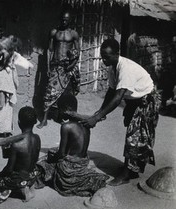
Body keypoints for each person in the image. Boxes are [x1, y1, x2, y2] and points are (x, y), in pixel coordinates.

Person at [80, 39, 160, 186]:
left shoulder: (126, 69)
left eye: (107, 56)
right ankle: (131, 169)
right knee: (134, 135)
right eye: (102, 56)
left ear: (117, 54)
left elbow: (118, 98)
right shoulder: (112, 67)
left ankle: (125, 175)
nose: (104, 59)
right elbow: (111, 91)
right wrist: (100, 112)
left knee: (134, 136)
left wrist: (97, 117)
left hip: (146, 101)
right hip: (135, 101)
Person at [36, 94, 109, 196]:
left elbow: (61, 154)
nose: (58, 113)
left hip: (69, 168)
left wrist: (51, 158)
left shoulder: (66, 127)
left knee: (42, 164)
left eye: (59, 109)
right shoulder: (86, 124)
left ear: (65, 110)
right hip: (82, 164)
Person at [0, 106, 41, 206]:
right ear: (34, 122)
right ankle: (29, 185)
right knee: (26, 172)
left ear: (19, 122)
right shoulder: (37, 138)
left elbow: (9, 169)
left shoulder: (16, 145)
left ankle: (21, 188)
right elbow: (34, 158)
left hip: (19, 179)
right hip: (33, 175)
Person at [0, 34, 33, 138]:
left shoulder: (9, 43)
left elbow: (13, 58)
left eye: (1, 28)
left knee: (6, 106)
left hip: (5, 74)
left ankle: (4, 129)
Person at [37, 10, 81, 129]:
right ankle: (44, 119)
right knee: (49, 93)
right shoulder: (54, 32)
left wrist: (72, 65)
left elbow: (77, 52)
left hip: (67, 67)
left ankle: (66, 118)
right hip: (55, 66)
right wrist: (47, 66)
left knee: (66, 93)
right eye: (62, 19)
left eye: (66, 19)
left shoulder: (73, 34)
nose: (64, 21)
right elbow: (49, 51)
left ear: (70, 20)